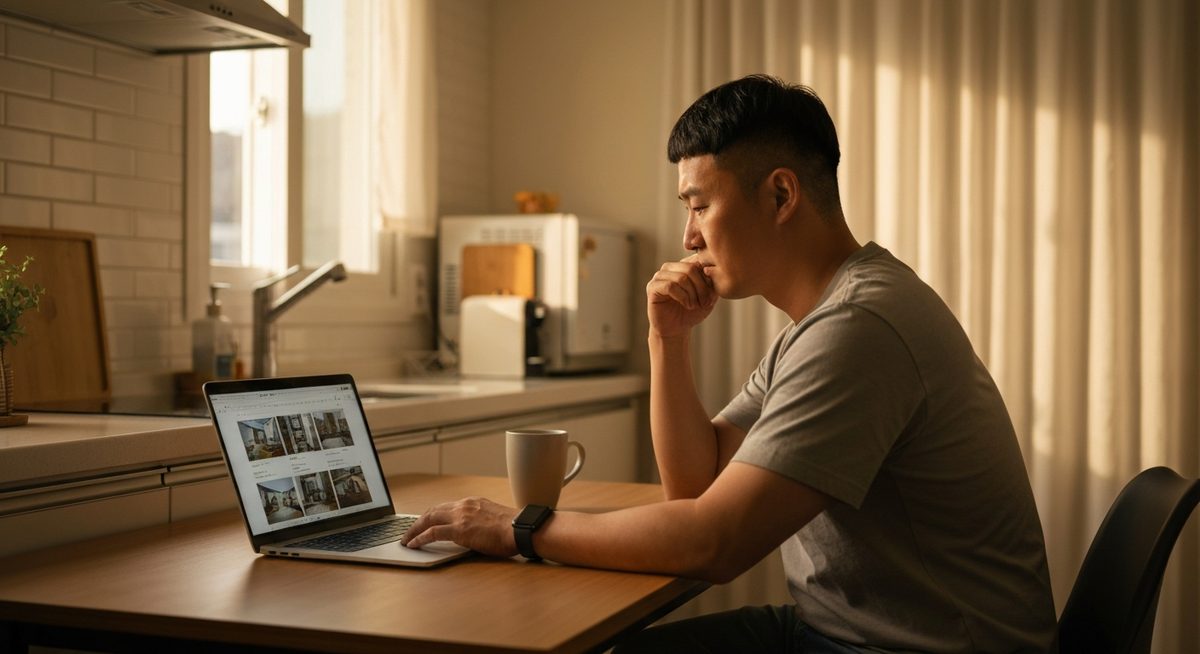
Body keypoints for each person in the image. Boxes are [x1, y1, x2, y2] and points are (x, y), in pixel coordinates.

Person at [402, 74, 1057, 652]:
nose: (688, 237)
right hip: (848, 632)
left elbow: (712, 543)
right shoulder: (825, 319)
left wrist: (519, 528)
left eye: (700, 206)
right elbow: (696, 487)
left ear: (780, 196)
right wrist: (667, 340)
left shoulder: (858, 327)